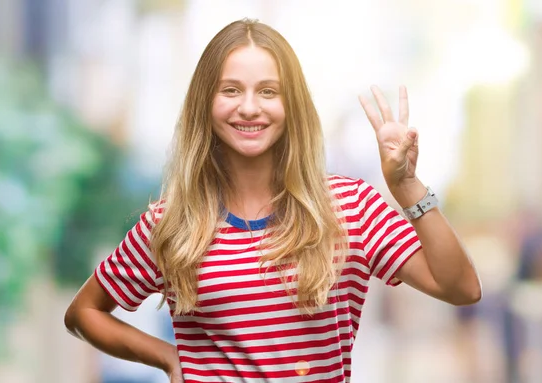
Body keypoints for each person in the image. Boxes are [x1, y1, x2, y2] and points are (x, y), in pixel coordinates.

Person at [64, 18, 482, 383]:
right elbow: (84, 313)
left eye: (268, 91)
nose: (249, 108)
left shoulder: (351, 207)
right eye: (231, 89)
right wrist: (169, 359)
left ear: (292, 105)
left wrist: (407, 187)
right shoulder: (173, 222)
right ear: (205, 104)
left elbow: (460, 287)